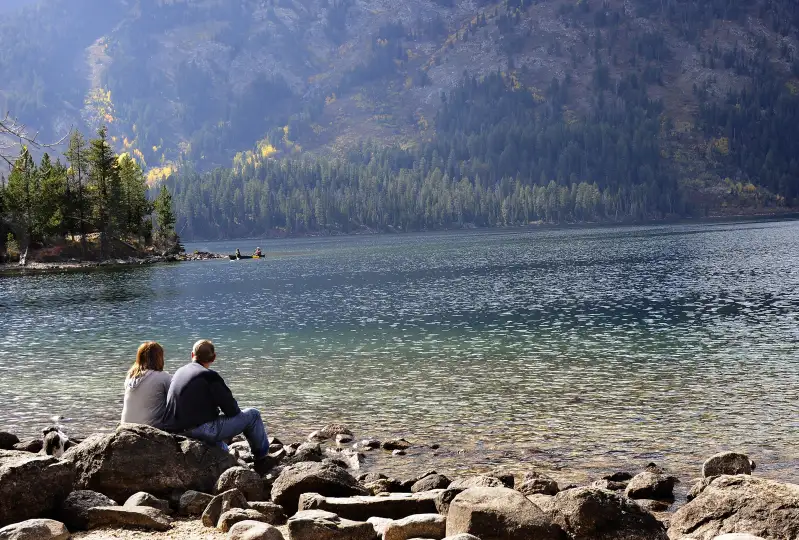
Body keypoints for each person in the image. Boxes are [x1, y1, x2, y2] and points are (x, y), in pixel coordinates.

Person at [163, 339, 270, 469]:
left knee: (223, 449)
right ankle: (262, 459)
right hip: (199, 431)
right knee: (253, 415)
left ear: (192, 355)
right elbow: (232, 410)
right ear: (214, 358)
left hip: (173, 430)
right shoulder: (210, 376)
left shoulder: (179, 372)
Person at [121, 342, 172, 429]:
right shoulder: (163, 377)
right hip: (149, 428)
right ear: (159, 357)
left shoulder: (130, 376)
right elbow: (175, 399)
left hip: (125, 426)